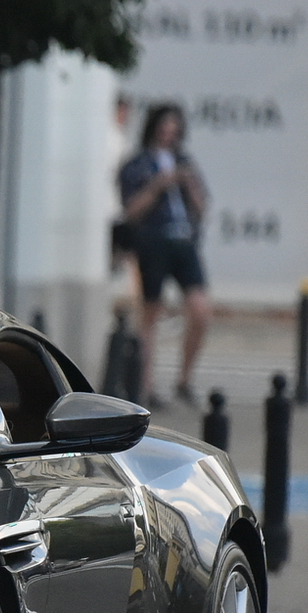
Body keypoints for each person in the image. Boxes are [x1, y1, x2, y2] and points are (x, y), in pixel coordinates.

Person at [115, 102, 210, 403]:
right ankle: (147, 384)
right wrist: (158, 187)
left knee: (200, 309)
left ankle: (184, 378)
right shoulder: (138, 164)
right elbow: (131, 210)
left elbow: (202, 207)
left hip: (183, 240)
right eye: (164, 128)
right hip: (153, 241)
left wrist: (187, 184)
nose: (169, 134)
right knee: (150, 314)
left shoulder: (185, 162)